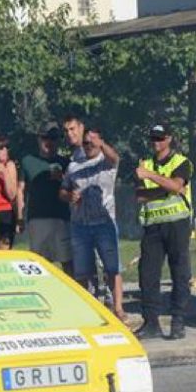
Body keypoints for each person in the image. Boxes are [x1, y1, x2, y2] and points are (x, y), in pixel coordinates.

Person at [133, 124, 193, 341]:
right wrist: (165, 188)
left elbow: (178, 186)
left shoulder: (181, 162)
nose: (156, 143)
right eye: (153, 139)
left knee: (180, 272)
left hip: (177, 223)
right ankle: (151, 322)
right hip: (152, 226)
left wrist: (152, 178)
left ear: (169, 139)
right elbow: (139, 195)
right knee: (147, 274)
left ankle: (178, 320)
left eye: (160, 138)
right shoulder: (144, 162)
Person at [60, 127, 125, 319]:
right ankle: (89, 308)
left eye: (91, 142)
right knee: (83, 270)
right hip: (80, 224)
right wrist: (69, 195)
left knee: (112, 267)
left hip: (104, 223)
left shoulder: (106, 163)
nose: (88, 146)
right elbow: (62, 191)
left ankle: (118, 308)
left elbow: (116, 158)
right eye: (85, 143)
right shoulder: (73, 166)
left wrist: (102, 144)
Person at [18, 123, 72, 270]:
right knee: (39, 263)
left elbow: (74, 190)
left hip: (61, 218)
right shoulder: (28, 161)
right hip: (37, 218)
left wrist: (62, 178)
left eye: (53, 138)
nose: (49, 142)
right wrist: (20, 217)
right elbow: (21, 189)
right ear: (38, 139)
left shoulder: (66, 162)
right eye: (45, 138)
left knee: (67, 260)